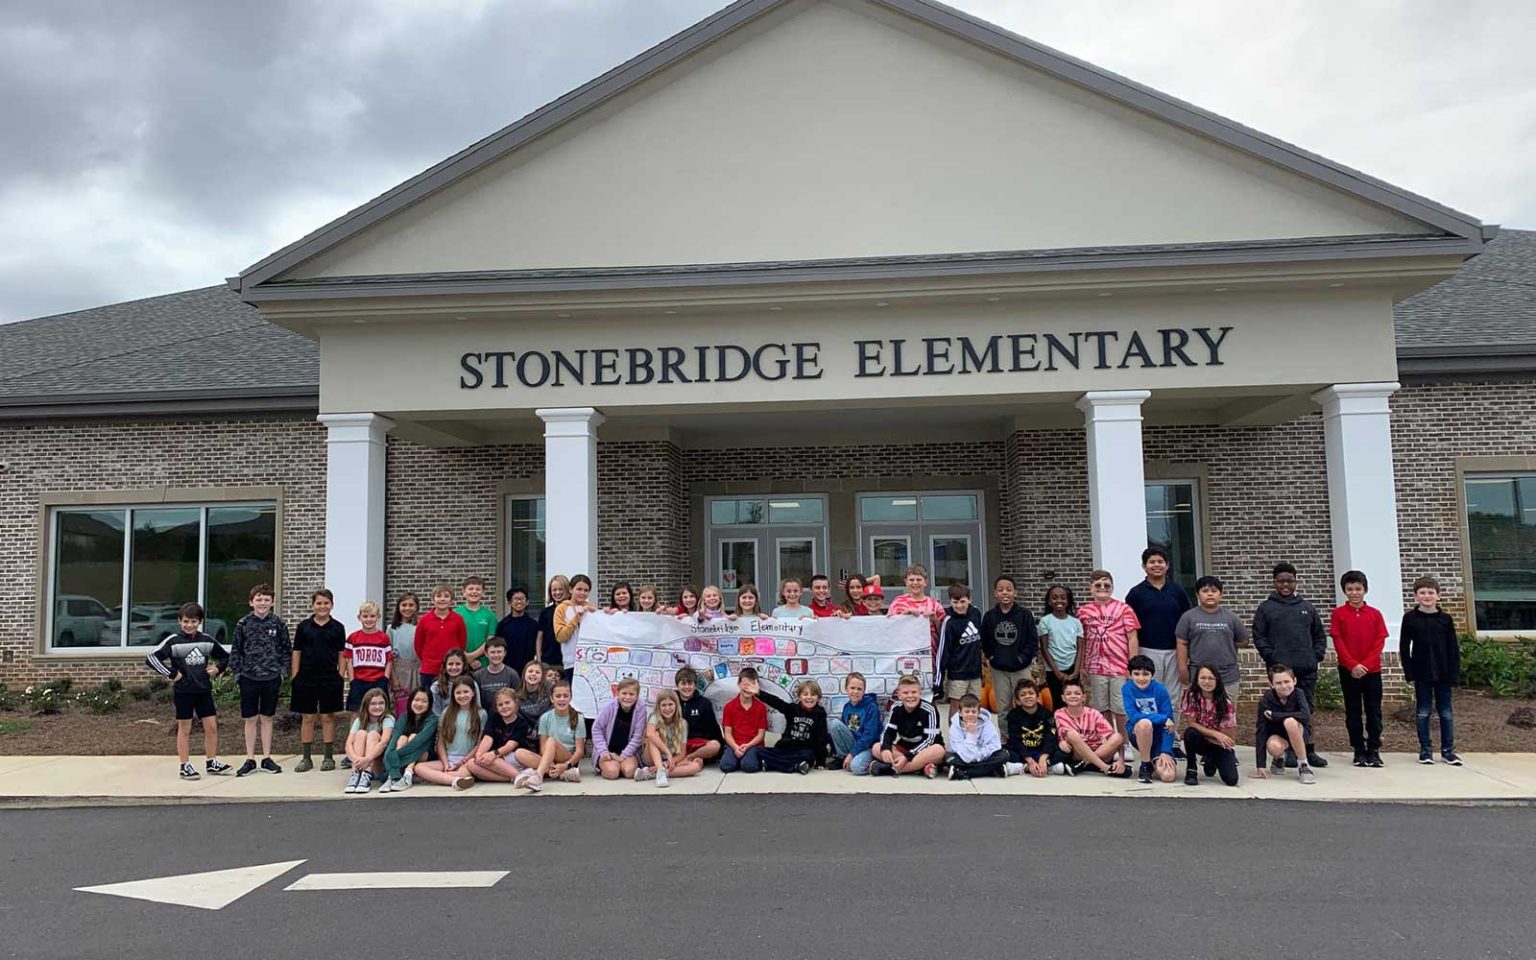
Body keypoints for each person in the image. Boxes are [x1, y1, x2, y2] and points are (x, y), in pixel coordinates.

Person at [1252, 563, 1328, 768]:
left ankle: (1308, 749)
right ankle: (1289, 751)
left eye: (1289, 581)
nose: (1285, 585)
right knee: (1283, 711)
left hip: (1306, 668)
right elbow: (1259, 637)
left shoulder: (1307, 608)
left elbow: (1319, 635)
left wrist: (1315, 656)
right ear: (1274, 583)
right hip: (1280, 672)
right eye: (1281, 581)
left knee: (1307, 709)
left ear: (1296, 581)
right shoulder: (1266, 608)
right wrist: (1272, 657)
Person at [146, 602, 233, 780]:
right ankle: (185, 765)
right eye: (186, 621)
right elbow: (151, 658)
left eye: (193, 621)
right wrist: (172, 674)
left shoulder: (207, 640)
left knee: (212, 727)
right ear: (180, 621)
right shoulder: (173, 641)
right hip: (183, 692)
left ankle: (211, 762)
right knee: (185, 728)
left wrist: (217, 668)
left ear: (199, 622)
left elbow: (225, 657)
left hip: (203, 690)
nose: (189, 625)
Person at [1077, 570, 1139, 762]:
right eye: (1098, 585)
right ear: (1091, 588)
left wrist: (1132, 664)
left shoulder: (1124, 609)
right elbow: (1081, 640)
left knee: (1120, 708)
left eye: (1106, 585)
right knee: (1101, 707)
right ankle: (1109, 741)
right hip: (1095, 666)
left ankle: (1125, 743)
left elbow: (1132, 637)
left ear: (1112, 587)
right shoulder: (1084, 612)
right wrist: (1082, 664)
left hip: (1119, 666)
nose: (1102, 588)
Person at [229, 583, 290, 777]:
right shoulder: (243, 624)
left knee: (267, 718)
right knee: (250, 718)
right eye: (259, 599)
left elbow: (286, 650)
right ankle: (250, 758)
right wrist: (238, 673)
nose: (262, 603)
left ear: (272, 602)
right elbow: (236, 650)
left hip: (271, 677)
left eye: (266, 600)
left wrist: (282, 672)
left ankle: (266, 757)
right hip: (248, 677)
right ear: (251, 602)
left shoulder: (278, 624)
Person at [1329, 569, 1389, 768]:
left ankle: (1374, 749)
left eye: (1358, 589)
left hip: (1372, 671)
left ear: (1365, 590)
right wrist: (1352, 664)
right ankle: (1358, 749)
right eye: (1350, 589)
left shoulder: (1375, 614)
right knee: (1353, 711)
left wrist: (1366, 664)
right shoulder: (1338, 614)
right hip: (1348, 670)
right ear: (1344, 591)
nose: (1354, 593)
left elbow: (1379, 641)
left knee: (1373, 711)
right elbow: (1338, 641)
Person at [1400, 576, 1462, 766]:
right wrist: (1409, 671)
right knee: (1423, 712)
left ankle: (1448, 751)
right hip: (1422, 672)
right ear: (1415, 596)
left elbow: (1453, 647)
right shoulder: (1410, 619)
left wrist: (1454, 673)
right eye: (1422, 593)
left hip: (1443, 672)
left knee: (1446, 712)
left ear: (1438, 595)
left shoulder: (1445, 620)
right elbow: (1404, 647)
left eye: (1430, 592)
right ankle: (1425, 750)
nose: (1426, 596)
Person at [291, 589, 347, 773]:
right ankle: (306, 758)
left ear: (332, 605)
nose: (322, 607)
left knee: (327, 717)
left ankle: (328, 757)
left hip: (330, 678)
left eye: (326, 603)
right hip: (306, 677)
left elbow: (341, 653)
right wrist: (295, 675)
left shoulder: (337, 627)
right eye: (319, 603)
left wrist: (341, 675)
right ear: (312, 605)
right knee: (307, 717)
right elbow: (297, 651)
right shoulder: (303, 627)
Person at [1175, 576, 1248, 707]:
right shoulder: (1188, 617)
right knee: (1200, 711)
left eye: (1214, 591)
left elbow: (1243, 640)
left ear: (1221, 595)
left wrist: (1224, 644)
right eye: (1205, 591)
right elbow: (1182, 643)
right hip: (1198, 674)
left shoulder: (1231, 617)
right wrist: (1182, 669)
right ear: (1197, 595)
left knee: (1227, 711)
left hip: (1227, 675)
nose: (1210, 594)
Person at [981, 575, 1038, 727]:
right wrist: (992, 657)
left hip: (1021, 668)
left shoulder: (1025, 615)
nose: (1005, 593)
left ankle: (1026, 737)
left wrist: (1022, 658)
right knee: (1003, 709)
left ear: (1015, 593)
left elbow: (1033, 641)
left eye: (1009, 589)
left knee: (1025, 705)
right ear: (995, 593)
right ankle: (1005, 739)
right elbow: (985, 640)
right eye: (1001, 590)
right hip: (999, 670)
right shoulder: (990, 616)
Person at [413, 677, 486, 790]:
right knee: (419, 768)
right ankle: (454, 781)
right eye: (458, 693)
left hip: (467, 760)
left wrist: (464, 761)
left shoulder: (481, 713)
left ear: (473, 693)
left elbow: (479, 743)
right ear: (453, 695)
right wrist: (445, 763)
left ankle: (443, 778)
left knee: (463, 773)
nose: (462, 695)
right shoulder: (447, 712)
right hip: (448, 758)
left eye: (466, 692)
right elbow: (440, 742)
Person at [516, 680, 587, 792]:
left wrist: (566, 765)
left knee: (551, 741)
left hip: (568, 758)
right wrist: (551, 764)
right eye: (558, 696)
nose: (562, 699)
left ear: (570, 698)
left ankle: (538, 776)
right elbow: (543, 748)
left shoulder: (578, 718)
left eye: (565, 696)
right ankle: (561, 773)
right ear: (551, 699)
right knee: (519, 753)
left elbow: (580, 751)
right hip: (550, 758)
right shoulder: (545, 718)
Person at [1251, 664, 1316, 784]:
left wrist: (1275, 715)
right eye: (1279, 683)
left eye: (1287, 681)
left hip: (1299, 732)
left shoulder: (1299, 694)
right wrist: (1260, 765)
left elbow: (1305, 715)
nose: (1284, 686)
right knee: (1274, 746)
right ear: (1272, 684)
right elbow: (1261, 730)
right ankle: (1279, 758)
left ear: (1294, 681)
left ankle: (1303, 765)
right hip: (1278, 734)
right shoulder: (1266, 700)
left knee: (1289, 721)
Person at [870, 675, 945, 778]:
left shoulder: (929, 710)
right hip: (904, 749)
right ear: (899, 695)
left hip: (924, 750)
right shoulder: (896, 707)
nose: (910, 696)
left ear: (920, 693)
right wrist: (885, 748)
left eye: (914, 692)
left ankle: (892, 769)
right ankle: (918, 767)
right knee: (876, 747)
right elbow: (888, 732)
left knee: (938, 750)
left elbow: (930, 740)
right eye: (905, 693)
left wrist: (907, 756)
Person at [1053, 678, 1129, 777]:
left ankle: (1083, 765)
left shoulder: (1093, 713)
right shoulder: (1060, 714)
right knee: (1072, 734)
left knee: (1118, 736)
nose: (1073, 696)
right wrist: (1061, 741)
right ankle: (1105, 768)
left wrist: (1121, 760)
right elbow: (1063, 736)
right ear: (1063, 698)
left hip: (1100, 751)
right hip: (1078, 753)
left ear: (1084, 697)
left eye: (1077, 693)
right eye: (1068, 694)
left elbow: (1114, 738)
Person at [1122, 654, 1178, 784]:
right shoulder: (1127, 688)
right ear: (1130, 674)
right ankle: (1145, 765)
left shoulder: (1160, 690)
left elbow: (1170, 724)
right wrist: (1162, 719)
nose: (1141, 678)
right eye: (1136, 674)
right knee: (1144, 724)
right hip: (1138, 732)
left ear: (1152, 675)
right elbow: (1133, 716)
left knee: (1168, 776)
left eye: (1145, 674)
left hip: (1159, 737)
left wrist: (1165, 751)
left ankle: (1155, 758)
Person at [1180, 664, 1239, 787]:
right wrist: (1215, 733)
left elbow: (1229, 739)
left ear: (1217, 681)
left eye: (1211, 678)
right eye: (1203, 678)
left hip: (1220, 745)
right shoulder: (1192, 696)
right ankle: (1191, 769)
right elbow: (1192, 723)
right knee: (1190, 732)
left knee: (1232, 780)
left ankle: (1211, 759)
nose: (1207, 682)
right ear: (1197, 680)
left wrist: (1216, 737)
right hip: (1203, 739)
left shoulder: (1226, 704)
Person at [463, 686, 536, 784]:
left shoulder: (521, 723)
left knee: (493, 759)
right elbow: (488, 738)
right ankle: (513, 777)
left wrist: (494, 754)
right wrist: (479, 753)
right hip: (498, 760)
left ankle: (518, 775)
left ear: (515, 703)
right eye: (500, 705)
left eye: (507, 703)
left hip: (511, 756)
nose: (504, 707)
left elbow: (510, 745)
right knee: (471, 764)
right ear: (496, 708)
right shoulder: (494, 718)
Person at [758, 680, 831, 774]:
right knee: (759, 751)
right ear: (799, 696)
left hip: (804, 750)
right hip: (786, 748)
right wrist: (758, 692)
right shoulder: (792, 709)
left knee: (808, 756)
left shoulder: (820, 713)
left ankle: (772, 764)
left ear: (818, 697)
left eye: (813, 695)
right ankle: (796, 766)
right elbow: (776, 702)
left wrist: (821, 761)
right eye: (805, 694)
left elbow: (822, 737)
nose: (809, 697)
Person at [936, 583, 984, 717]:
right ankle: (955, 730)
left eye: (963, 601)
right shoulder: (948, 621)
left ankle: (973, 729)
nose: (959, 606)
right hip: (957, 673)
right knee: (956, 706)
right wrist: (939, 678)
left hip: (975, 672)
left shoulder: (976, 613)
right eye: (955, 602)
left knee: (975, 705)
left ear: (970, 600)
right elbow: (943, 650)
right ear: (950, 601)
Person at [638, 689, 702, 786]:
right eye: (663, 705)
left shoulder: (682, 723)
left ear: (676, 705)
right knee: (654, 735)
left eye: (670, 704)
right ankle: (660, 771)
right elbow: (650, 733)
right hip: (651, 757)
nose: (667, 708)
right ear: (659, 707)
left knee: (695, 767)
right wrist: (667, 752)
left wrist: (666, 763)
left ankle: (653, 773)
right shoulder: (655, 717)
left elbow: (682, 753)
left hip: (669, 760)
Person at [381, 687, 436, 793]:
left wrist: (393, 757)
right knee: (402, 738)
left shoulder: (432, 720)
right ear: (410, 701)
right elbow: (394, 740)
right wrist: (389, 754)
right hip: (405, 752)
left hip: (425, 754)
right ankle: (393, 777)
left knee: (413, 736)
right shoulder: (404, 717)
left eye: (424, 701)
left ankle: (408, 774)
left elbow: (418, 742)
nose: (419, 704)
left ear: (430, 704)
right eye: (416, 700)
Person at [343, 600, 394, 714]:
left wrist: (385, 679)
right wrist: (352, 680)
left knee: (380, 712)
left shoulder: (384, 638)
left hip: (378, 681)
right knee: (356, 713)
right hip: (359, 681)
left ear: (378, 617)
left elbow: (389, 660)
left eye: (372, 616)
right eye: (365, 616)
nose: (369, 619)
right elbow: (349, 661)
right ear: (359, 618)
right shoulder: (353, 638)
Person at [1003, 679, 1062, 778]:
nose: (1028, 696)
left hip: (1041, 751)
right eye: (1023, 695)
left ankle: (1026, 767)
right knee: (1003, 754)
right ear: (1018, 700)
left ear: (1037, 696)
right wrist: (1030, 761)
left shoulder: (1047, 714)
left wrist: (1043, 758)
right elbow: (1015, 741)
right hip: (1022, 753)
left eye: (1031, 693)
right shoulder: (1013, 715)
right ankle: (1042, 766)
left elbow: (1050, 738)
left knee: (1063, 750)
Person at [1036, 583, 1081, 711]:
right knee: (1057, 703)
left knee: (1073, 701)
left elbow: (1080, 649)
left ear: (1068, 600)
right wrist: (1057, 672)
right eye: (1054, 598)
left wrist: (1076, 671)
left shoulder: (1076, 622)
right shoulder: (1045, 621)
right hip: (1053, 670)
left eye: (1063, 597)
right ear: (1049, 601)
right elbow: (1044, 648)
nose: (1059, 601)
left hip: (1072, 668)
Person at [593, 678, 649, 780]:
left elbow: (637, 736)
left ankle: (620, 765)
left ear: (637, 695)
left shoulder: (640, 709)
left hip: (628, 751)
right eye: (624, 693)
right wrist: (603, 751)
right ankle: (608, 767)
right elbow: (597, 729)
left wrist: (622, 756)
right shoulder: (609, 707)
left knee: (629, 772)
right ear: (617, 693)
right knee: (612, 773)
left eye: (631, 694)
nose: (627, 697)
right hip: (608, 750)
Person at [414, 584, 467, 690]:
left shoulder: (458, 619)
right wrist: (428, 660)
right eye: (439, 596)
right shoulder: (424, 620)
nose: (442, 599)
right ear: (432, 599)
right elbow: (418, 645)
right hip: (429, 670)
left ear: (452, 600)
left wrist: (454, 661)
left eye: (446, 596)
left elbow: (462, 643)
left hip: (452, 670)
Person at [945, 694, 1009, 780]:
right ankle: (992, 770)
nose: (970, 714)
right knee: (949, 758)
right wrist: (971, 734)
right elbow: (964, 754)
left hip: (982, 757)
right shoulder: (955, 727)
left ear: (979, 713)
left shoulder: (986, 724)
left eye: (973, 711)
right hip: (963, 757)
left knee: (1003, 755)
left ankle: (964, 772)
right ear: (960, 713)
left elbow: (994, 745)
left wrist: (978, 756)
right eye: (967, 711)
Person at [828, 671, 881, 774]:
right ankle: (842, 758)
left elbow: (869, 737)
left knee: (856, 767)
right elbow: (844, 731)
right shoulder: (847, 706)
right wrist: (850, 753)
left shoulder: (871, 707)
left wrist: (852, 754)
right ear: (846, 689)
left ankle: (876, 763)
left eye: (859, 689)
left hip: (868, 746)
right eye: (852, 688)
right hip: (854, 744)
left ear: (864, 691)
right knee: (835, 724)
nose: (855, 691)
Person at [887, 564, 944, 659]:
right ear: (906, 582)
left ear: (926, 582)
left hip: (929, 657)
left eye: (919, 579)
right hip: (903, 655)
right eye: (911, 580)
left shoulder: (935, 605)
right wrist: (903, 616)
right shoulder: (897, 602)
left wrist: (935, 619)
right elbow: (889, 629)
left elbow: (945, 633)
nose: (915, 583)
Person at [343, 688, 393, 794]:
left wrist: (367, 759)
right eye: (373, 704)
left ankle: (366, 774)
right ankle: (356, 774)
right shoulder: (359, 720)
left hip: (378, 764)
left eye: (381, 703)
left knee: (373, 734)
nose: (377, 707)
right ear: (366, 705)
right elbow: (348, 744)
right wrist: (356, 760)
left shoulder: (388, 719)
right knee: (361, 733)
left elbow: (384, 742)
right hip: (360, 763)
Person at [720, 667, 769, 773]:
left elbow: (761, 735)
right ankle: (737, 758)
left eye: (752, 685)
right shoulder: (729, 707)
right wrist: (735, 747)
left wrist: (747, 746)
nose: (748, 689)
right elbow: (727, 733)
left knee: (749, 766)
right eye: (745, 684)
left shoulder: (761, 707)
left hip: (753, 745)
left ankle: (745, 759)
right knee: (726, 766)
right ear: (738, 684)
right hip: (734, 744)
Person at [674, 667, 724, 765]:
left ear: (695, 685)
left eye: (690, 684)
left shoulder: (704, 703)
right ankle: (682, 760)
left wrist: (721, 749)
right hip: (677, 745)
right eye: (683, 684)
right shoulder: (671, 702)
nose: (687, 687)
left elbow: (714, 728)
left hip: (698, 745)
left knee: (715, 745)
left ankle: (689, 758)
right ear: (677, 685)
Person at [553, 574, 599, 675]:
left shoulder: (592, 609)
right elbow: (560, 637)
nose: (582, 593)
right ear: (571, 590)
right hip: (571, 663)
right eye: (579, 589)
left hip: (591, 661)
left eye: (586, 590)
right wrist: (576, 617)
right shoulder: (561, 608)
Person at [455, 576, 499, 669]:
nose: (474, 592)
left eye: (478, 589)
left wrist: (472, 656)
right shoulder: (455, 613)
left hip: (483, 664)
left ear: (483, 593)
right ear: (464, 592)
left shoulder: (490, 615)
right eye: (471, 589)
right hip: (459, 662)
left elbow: (490, 640)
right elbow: (453, 638)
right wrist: (466, 657)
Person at [494, 587, 540, 676]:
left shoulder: (533, 625)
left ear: (527, 602)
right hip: (507, 669)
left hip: (528, 670)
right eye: (516, 599)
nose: (519, 601)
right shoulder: (503, 625)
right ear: (509, 602)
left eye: (522, 599)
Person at [388, 593, 420, 716]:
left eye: (411, 605)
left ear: (416, 607)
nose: (407, 608)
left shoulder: (420, 626)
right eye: (404, 605)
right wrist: (393, 677)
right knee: (399, 704)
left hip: (416, 669)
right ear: (398, 607)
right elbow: (389, 656)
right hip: (398, 671)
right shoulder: (392, 629)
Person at [535, 575, 570, 678]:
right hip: (548, 659)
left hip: (567, 659)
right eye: (554, 590)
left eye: (560, 589)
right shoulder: (545, 612)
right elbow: (540, 636)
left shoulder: (572, 610)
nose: (557, 592)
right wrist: (539, 657)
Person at [473, 636, 517, 711]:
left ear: (504, 653)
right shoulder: (478, 676)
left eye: (499, 652)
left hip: (506, 713)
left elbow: (517, 698)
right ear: (486, 654)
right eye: (492, 652)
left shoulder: (512, 674)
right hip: (485, 714)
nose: (496, 655)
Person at [430, 649, 478, 716]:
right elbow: (436, 712)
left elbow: (477, 707)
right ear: (445, 666)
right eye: (450, 664)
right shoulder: (436, 686)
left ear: (463, 665)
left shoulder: (472, 683)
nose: (454, 667)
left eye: (458, 664)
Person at [516, 660, 552, 727]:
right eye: (530, 671)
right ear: (524, 674)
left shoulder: (549, 687)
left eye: (537, 672)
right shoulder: (517, 694)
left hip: (548, 725)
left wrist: (540, 722)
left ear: (542, 676)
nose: (533, 674)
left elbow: (554, 707)